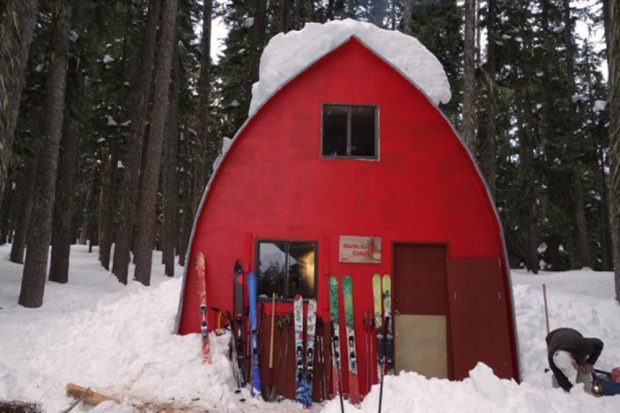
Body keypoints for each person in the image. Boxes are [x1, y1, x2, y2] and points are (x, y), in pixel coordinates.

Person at [546, 327, 604, 394]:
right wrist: (572, 391)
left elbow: (599, 344)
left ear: (572, 357)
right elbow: (562, 380)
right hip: (552, 338)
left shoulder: (581, 345)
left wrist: (590, 363)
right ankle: (558, 394)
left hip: (573, 337)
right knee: (558, 375)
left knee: (583, 367)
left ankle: (586, 390)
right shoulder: (552, 360)